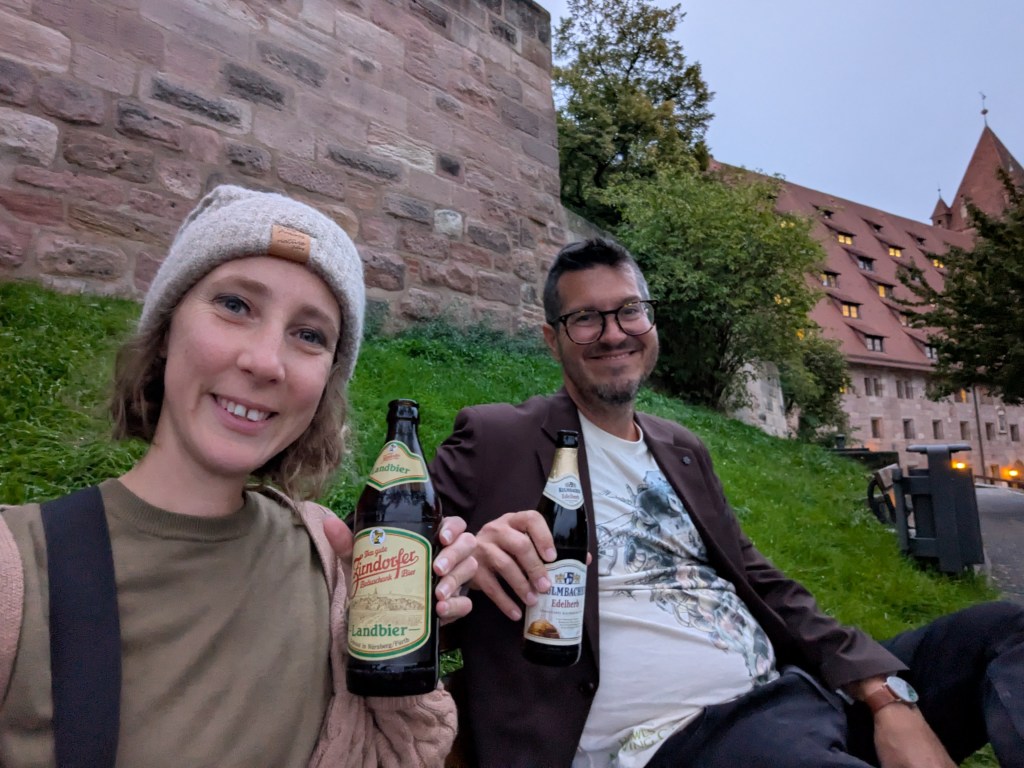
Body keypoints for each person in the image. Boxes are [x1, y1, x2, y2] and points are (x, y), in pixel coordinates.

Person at [431, 237, 1024, 768]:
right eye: (585, 318)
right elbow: (377, 559)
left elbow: (763, 582)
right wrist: (466, 559)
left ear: (651, 321)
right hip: (680, 738)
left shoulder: (681, 447)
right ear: (551, 339)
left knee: (1005, 630)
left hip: (794, 699)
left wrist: (886, 696)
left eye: (629, 310)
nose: (614, 333)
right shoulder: (497, 438)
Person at [0, 185, 477, 767]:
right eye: (235, 305)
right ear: (166, 329)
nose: (265, 362)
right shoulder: (16, 571)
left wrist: (394, 652)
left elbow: (393, 756)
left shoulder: (326, 556)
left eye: (309, 335)